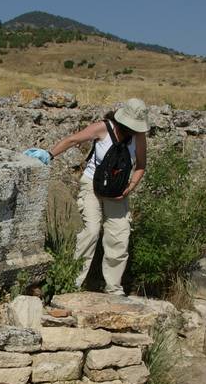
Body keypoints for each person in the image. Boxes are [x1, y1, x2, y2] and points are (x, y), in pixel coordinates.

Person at [44, 97, 150, 295]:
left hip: (118, 192)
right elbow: (73, 140)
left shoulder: (139, 136)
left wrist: (130, 187)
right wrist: (48, 155)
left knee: (119, 236)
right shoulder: (103, 128)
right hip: (92, 185)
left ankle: (114, 288)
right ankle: (72, 283)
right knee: (91, 232)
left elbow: (141, 165)